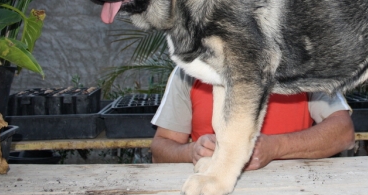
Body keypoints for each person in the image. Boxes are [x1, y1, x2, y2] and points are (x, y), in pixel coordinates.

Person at [151, 67, 355, 170]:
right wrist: (192, 151)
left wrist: (274, 148)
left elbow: (343, 132)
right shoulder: (188, 70)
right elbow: (160, 149)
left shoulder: (303, 65)